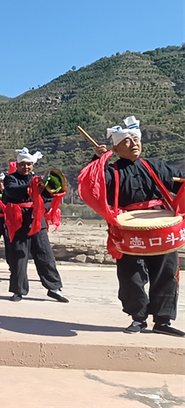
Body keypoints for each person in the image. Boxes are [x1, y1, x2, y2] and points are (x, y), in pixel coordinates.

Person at [87, 116, 183, 337]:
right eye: (127, 141)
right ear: (116, 148)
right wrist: (97, 160)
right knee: (131, 276)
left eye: (136, 139)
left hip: (160, 228)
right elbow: (92, 184)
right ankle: (138, 318)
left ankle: (163, 320)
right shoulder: (112, 172)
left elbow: (181, 183)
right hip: (129, 230)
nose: (134, 144)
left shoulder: (157, 167)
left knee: (166, 273)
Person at [2, 148, 68, 303]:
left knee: (46, 255)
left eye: (29, 164)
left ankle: (54, 288)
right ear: (17, 165)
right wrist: (32, 187)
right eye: (23, 164)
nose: (26, 167)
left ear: (33, 165)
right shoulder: (10, 179)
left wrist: (50, 192)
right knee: (19, 257)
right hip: (19, 222)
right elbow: (11, 192)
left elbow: (47, 196)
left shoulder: (39, 180)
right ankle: (18, 291)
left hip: (37, 221)